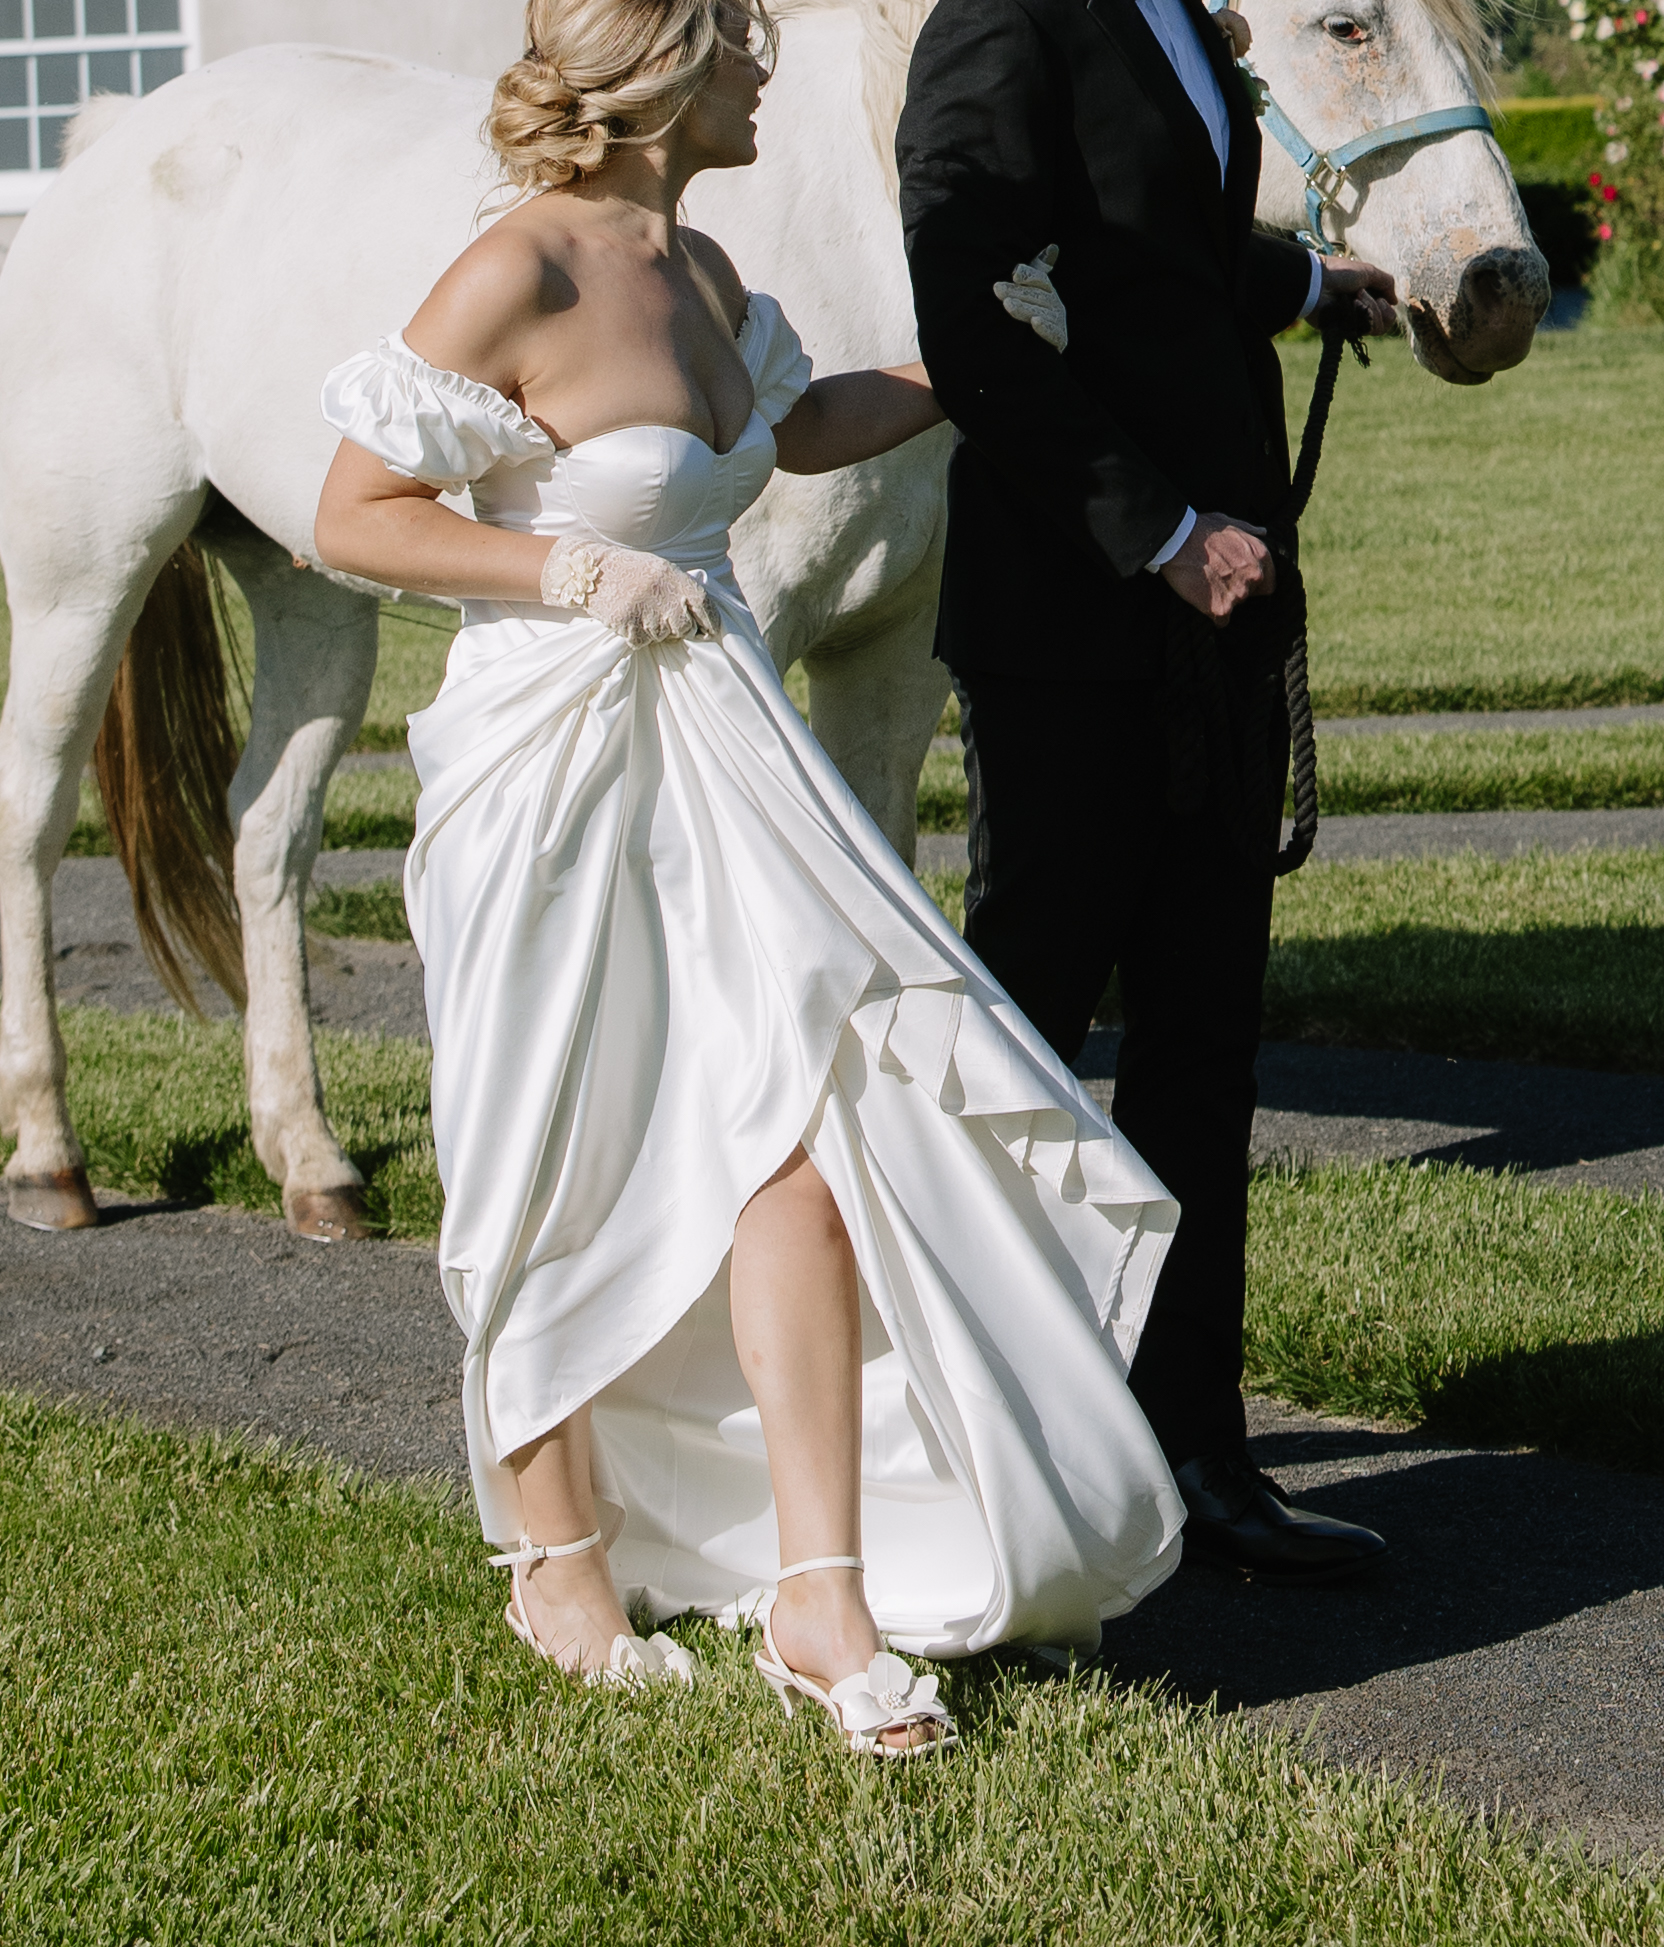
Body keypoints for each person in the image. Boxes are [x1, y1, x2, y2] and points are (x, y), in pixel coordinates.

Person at [315, 0, 1188, 1758]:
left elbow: (788, 430)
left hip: (722, 747)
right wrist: (567, 575)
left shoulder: (702, 269)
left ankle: (822, 1590)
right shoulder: (522, 267)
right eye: (737, 45)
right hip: (548, 770)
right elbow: (360, 513)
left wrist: (962, 368)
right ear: (651, 69)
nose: (762, 70)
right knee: (553, 1146)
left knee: (797, 1129)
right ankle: (557, 1548)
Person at [896, 0, 1395, 1584]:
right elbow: (972, 311)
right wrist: (1162, 533)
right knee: (1031, 1034)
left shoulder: (1173, 15)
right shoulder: (999, 23)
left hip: (1225, 628)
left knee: (1203, 1042)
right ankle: (992, 1460)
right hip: (1074, 624)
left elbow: (1147, 251)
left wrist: (1311, 281)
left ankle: (1198, 1452)